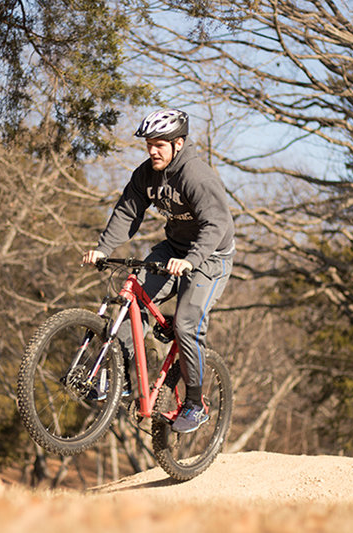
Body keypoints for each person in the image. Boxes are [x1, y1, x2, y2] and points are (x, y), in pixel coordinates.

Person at [82, 109, 234, 433]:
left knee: (187, 323)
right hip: (174, 250)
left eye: (160, 145)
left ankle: (195, 403)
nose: (152, 151)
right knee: (130, 301)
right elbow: (127, 211)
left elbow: (216, 225)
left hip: (211, 257)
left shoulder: (196, 176)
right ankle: (120, 378)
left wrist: (192, 260)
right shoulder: (147, 174)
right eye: (149, 144)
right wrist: (104, 249)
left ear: (178, 144)